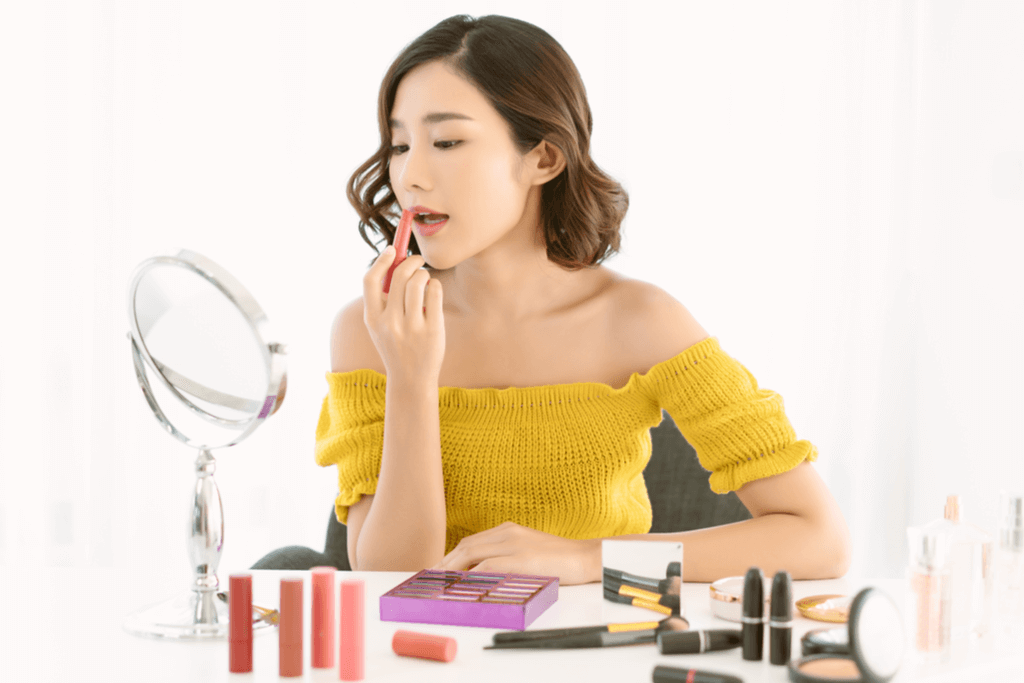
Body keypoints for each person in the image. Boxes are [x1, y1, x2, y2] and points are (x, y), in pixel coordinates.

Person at [315, 14, 851, 586]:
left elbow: (818, 537)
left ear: (543, 158)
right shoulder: (370, 329)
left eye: (447, 141)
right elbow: (392, 575)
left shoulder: (640, 322)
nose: (410, 176)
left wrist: (586, 559)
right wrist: (411, 377)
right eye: (399, 145)